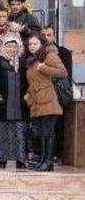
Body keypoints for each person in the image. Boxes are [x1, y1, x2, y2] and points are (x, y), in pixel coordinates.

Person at [24, 34, 68, 172]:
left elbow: (62, 72)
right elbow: (35, 81)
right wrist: (28, 94)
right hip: (37, 101)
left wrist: (43, 68)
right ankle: (42, 159)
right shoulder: (31, 60)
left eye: (35, 43)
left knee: (48, 132)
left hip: (48, 99)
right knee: (40, 132)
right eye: (30, 44)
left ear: (41, 44)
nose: (32, 46)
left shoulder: (49, 56)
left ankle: (48, 162)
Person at [0, 34, 29, 169]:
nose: (12, 49)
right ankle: (2, 159)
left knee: (20, 132)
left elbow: (29, 81)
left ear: (19, 48)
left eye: (14, 46)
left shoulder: (24, 63)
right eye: (9, 46)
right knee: (2, 132)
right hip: (2, 103)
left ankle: (21, 159)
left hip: (20, 103)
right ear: (3, 47)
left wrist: (28, 94)